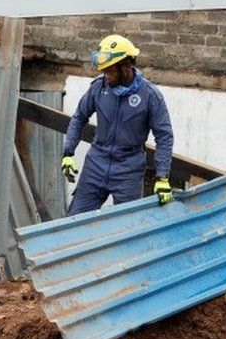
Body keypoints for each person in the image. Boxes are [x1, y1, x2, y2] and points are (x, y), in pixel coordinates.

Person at [61, 34, 174, 216]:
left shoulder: (150, 96)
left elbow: (164, 136)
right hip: (96, 163)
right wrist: (68, 152)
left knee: (127, 225)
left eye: (110, 71)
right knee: (74, 220)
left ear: (126, 66)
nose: (106, 76)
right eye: (104, 71)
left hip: (129, 169)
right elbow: (79, 117)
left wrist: (162, 177)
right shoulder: (99, 87)